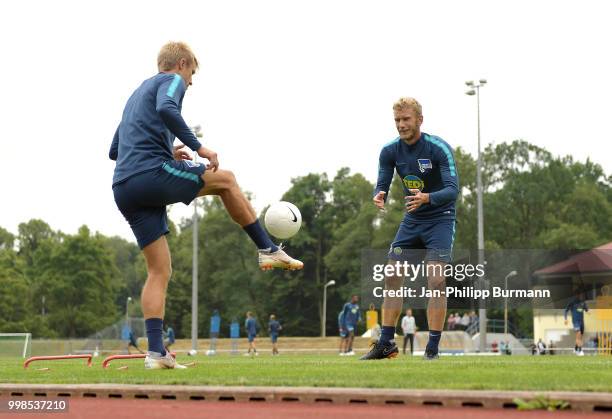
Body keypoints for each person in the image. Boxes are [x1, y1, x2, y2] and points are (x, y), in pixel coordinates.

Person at [109, 42, 303, 369]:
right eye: (191, 74)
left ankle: (155, 353)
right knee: (226, 179)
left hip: (124, 187)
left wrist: (166, 150)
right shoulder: (167, 81)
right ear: (181, 63)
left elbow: (115, 149)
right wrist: (200, 147)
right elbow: (167, 109)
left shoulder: (134, 96)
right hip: (148, 175)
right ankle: (268, 248)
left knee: (159, 270)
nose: (191, 82)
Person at [361, 97, 459, 361]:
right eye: (397, 120)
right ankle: (386, 344)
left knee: (436, 280)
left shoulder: (439, 149)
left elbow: (452, 190)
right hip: (412, 219)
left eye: (406, 119)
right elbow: (383, 177)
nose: (401, 125)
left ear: (419, 120)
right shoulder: (390, 150)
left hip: (440, 218)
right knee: (392, 275)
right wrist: (379, 193)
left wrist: (427, 197)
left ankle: (432, 349)